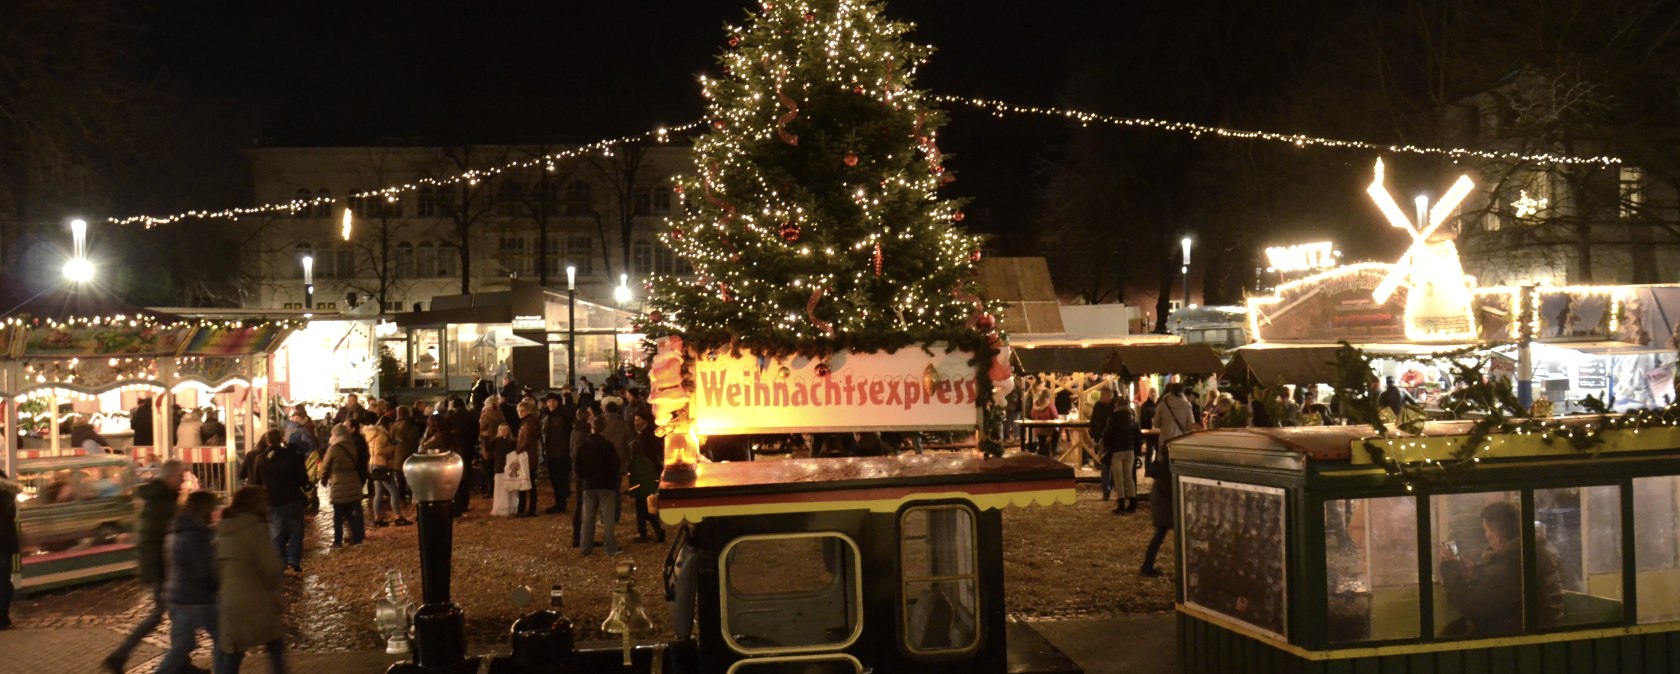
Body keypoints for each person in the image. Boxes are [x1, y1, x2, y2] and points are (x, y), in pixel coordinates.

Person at [105, 460, 186, 673]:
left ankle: (180, 661)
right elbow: (160, 537)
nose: (183, 481)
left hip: (160, 566)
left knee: (171, 614)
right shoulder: (161, 502)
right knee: (163, 614)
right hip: (161, 568)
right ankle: (120, 655)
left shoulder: (160, 498)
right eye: (180, 477)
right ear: (169, 477)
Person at [1436, 501, 1564, 636]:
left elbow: (1470, 605)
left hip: (1518, 639)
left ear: (1496, 535)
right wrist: (1476, 574)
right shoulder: (1531, 552)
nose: (1486, 536)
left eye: (1486, 530)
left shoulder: (1512, 564)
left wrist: (1450, 568)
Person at [215, 486, 287, 674]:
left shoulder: (223, 529)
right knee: (275, 645)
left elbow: (216, 567)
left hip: (230, 601)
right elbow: (271, 567)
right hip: (256, 600)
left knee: (234, 651)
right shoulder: (256, 528)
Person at [154, 491, 221, 674]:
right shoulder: (197, 533)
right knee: (222, 638)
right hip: (196, 598)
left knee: (183, 644)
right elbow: (205, 570)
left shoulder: (176, 528)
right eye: (213, 509)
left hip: (177, 595)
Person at [255, 429, 310, 574]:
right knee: (296, 529)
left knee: (277, 532)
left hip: (271, 500)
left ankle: (280, 562)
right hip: (292, 498)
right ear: (281, 439)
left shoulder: (261, 459)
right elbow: (301, 478)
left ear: (267, 441)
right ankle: (293, 559)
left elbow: (256, 481)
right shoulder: (291, 456)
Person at [575, 415, 622, 556]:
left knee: (588, 517)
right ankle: (611, 547)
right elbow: (615, 465)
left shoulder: (584, 445)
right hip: (606, 484)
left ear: (592, 427)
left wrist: (583, 479)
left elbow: (578, 465)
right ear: (604, 428)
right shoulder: (608, 445)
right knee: (607, 518)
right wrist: (614, 481)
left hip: (589, 484)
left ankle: (585, 547)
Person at [322, 424, 366, 547]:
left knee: (338, 515)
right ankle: (358, 538)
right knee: (353, 512)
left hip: (338, 483)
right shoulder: (351, 445)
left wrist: (323, 480)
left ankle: (337, 541)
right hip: (353, 480)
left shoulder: (334, 448)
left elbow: (326, 466)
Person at [627, 412, 665, 543]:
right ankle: (658, 530)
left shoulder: (633, 464)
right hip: (649, 489)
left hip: (640, 492)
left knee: (641, 513)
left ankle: (642, 532)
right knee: (650, 511)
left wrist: (631, 492)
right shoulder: (648, 462)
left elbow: (633, 479)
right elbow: (653, 475)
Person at [1139, 440, 1175, 578]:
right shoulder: (1169, 470)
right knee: (1164, 536)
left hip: (1160, 504)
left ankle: (1147, 565)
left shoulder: (1160, 467)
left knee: (1159, 536)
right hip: (1168, 506)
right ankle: (1147, 566)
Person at [1105, 397, 1143, 514]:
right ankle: (1132, 503)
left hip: (1117, 451)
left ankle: (1121, 503)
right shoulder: (1133, 419)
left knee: (1118, 478)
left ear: (1117, 406)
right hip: (1130, 450)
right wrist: (1137, 451)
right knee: (1129, 477)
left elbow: (1107, 435)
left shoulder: (1113, 418)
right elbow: (1138, 437)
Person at [365, 421, 404, 527]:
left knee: (378, 493)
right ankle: (397, 517)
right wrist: (393, 446)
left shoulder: (372, 435)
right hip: (382, 466)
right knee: (394, 492)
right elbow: (379, 450)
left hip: (374, 465)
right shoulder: (381, 435)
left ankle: (377, 519)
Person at [541, 393, 572, 514]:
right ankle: (559, 502)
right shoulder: (547, 416)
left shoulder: (563, 416)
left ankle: (561, 504)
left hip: (561, 453)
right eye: (549, 401)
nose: (551, 403)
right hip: (551, 452)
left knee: (560, 479)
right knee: (554, 479)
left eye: (553, 401)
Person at [569, 406, 594, 547]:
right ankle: (580, 537)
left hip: (578, 472)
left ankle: (578, 536)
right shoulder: (585, 433)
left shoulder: (575, 430)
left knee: (580, 505)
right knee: (583, 506)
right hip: (584, 474)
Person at [389, 405, 422, 507]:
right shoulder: (412, 425)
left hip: (399, 455)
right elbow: (416, 438)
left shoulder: (394, 426)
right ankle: (413, 497)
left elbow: (391, 440)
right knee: (412, 477)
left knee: (400, 479)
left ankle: (401, 499)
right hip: (411, 454)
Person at [513, 398, 541, 517]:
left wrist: (517, 451)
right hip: (528, 455)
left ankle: (525, 509)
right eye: (519, 411)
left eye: (522, 410)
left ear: (528, 410)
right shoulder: (528, 422)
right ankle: (528, 509)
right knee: (528, 484)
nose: (520, 413)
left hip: (527, 456)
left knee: (526, 484)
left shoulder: (529, 422)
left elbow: (528, 440)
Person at [1087, 387, 1115, 500]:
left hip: (1113, 440)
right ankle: (1106, 490)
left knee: (1111, 466)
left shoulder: (1114, 407)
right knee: (1105, 466)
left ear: (1108, 396)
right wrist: (1096, 437)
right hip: (1102, 441)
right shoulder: (1098, 406)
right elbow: (1093, 423)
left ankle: (1112, 487)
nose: (1101, 397)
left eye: (1103, 395)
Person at [0, 468, 19, 629]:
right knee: (4, 580)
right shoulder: (8, 494)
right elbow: (11, 515)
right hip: (5, 542)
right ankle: (3, 617)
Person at [488, 423, 517, 517]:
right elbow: (488, 448)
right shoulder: (496, 441)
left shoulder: (512, 442)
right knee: (500, 488)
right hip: (500, 467)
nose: (503, 432)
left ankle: (511, 507)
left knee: (510, 488)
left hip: (509, 468)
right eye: (501, 430)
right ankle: (501, 508)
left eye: (505, 430)